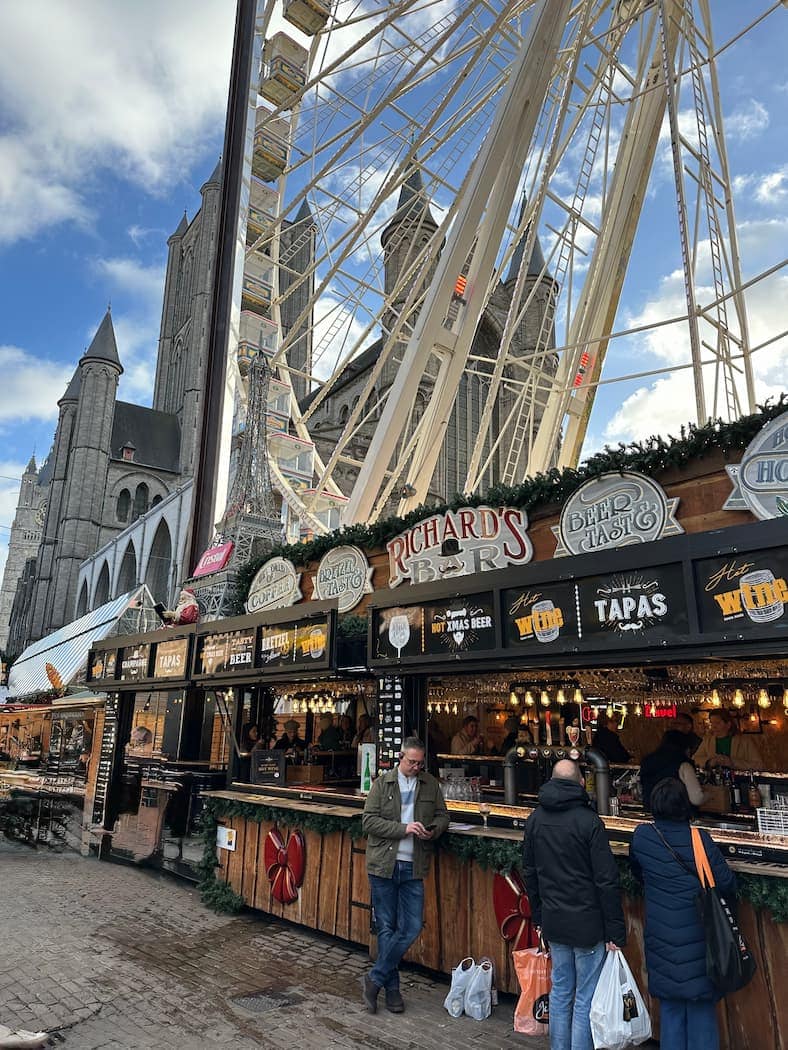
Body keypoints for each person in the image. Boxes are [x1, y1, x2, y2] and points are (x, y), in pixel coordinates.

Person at [522, 759, 626, 1050]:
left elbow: (530, 872)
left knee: (561, 991)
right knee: (585, 996)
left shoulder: (535, 818)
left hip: (554, 921)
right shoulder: (589, 821)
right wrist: (615, 931)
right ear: (581, 783)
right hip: (587, 924)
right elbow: (606, 880)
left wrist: (539, 918)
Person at [629, 777, 736, 1050]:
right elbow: (726, 883)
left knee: (671, 1010)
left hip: (661, 938)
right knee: (701, 1010)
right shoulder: (699, 839)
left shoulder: (642, 836)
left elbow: (637, 872)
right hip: (699, 939)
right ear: (684, 805)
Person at [361, 736, 449, 1015]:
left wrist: (433, 830)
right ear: (401, 758)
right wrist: (404, 829)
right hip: (384, 864)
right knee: (387, 928)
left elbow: (443, 815)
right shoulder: (382, 783)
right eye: (411, 762)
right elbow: (369, 821)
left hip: (414, 865)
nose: (415, 767)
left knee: (411, 927)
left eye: (420, 763)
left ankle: (375, 979)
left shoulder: (430, 783)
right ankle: (393, 990)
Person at [640, 729, 705, 811]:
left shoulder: (647, 761)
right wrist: (711, 796)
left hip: (651, 813)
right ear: (685, 747)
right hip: (678, 816)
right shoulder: (684, 764)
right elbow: (697, 798)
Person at [693, 709, 763, 771]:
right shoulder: (708, 741)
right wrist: (710, 761)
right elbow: (695, 759)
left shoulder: (745, 741)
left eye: (717, 723)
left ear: (728, 724)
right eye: (712, 723)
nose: (714, 727)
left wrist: (732, 762)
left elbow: (758, 765)